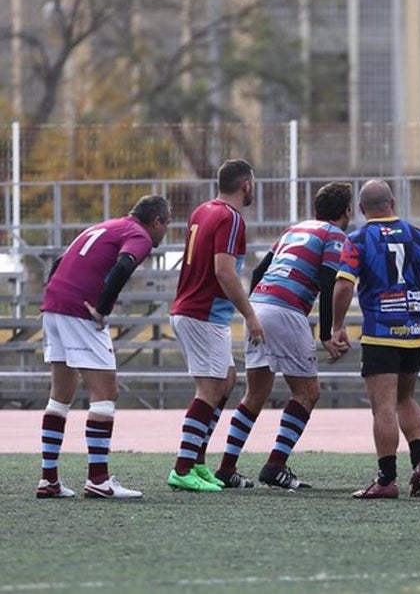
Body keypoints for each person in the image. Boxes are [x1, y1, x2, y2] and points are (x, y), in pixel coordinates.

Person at [210, 182, 354, 490]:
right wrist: (327, 333)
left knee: (255, 394)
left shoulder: (294, 230)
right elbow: (329, 279)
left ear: (315, 209)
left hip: (258, 306)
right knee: (307, 393)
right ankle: (275, 466)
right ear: (347, 211)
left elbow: (259, 271)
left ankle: (226, 468)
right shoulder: (334, 235)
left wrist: (252, 312)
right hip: (286, 311)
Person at [36, 195, 172, 499]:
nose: (166, 231)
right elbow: (124, 264)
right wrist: (103, 308)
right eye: (167, 224)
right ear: (156, 221)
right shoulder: (139, 234)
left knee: (60, 396)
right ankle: (98, 479)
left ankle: (49, 480)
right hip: (79, 310)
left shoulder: (107, 225)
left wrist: (53, 298)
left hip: (54, 305)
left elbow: (59, 262)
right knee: (106, 392)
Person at [333, 179, 420, 499]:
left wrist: (337, 326)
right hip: (413, 331)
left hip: (381, 331)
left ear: (361, 209)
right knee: (406, 398)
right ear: (393, 203)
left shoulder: (358, 239)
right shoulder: (417, 235)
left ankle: (386, 479)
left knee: (383, 406)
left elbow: (344, 285)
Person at [167, 159, 264, 493]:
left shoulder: (203, 210)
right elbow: (224, 271)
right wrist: (250, 315)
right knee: (209, 389)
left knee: (226, 380)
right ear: (246, 185)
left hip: (199, 311)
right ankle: (182, 468)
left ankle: (196, 461)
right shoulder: (231, 217)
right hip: (202, 313)